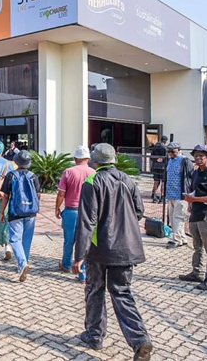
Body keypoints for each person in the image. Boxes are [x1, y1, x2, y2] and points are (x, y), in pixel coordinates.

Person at [73, 143, 152, 360]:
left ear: (95, 161)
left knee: (94, 290)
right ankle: (140, 340)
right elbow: (139, 211)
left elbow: (87, 221)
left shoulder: (92, 182)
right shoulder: (128, 180)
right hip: (126, 248)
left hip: (100, 250)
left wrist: (79, 256)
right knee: (122, 293)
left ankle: (94, 336)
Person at [179, 144, 207, 291]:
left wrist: (195, 200)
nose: (198, 158)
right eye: (196, 155)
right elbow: (194, 190)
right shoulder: (196, 172)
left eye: (201, 155)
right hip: (195, 214)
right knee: (197, 246)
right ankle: (196, 272)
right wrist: (190, 202)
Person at [55, 146, 95, 283]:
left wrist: (57, 208)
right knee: (85, 241)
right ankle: (83, 272)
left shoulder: (68, 172)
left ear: (75, 158)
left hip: (71, 210)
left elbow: (61, 193)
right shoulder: (94, 173)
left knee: (69, 240)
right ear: (88, 159)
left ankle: (66, 264)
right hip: (88, 212)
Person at [0, 150, 41, 282]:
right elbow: (38, 195)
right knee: (26, 240)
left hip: (15, 211)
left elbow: (6, 196)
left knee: (15, 239)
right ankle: (23, 264)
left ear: (16, 162)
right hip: (31, 213)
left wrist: (2, 212)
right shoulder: (33, 176)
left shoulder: (11, 175)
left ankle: (23, 264)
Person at [164, 142, 194, 249]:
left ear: (179, 150)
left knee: (178, 217)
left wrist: (189, 194)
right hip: (170, 194)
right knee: (173, 217)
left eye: (173, 151)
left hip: (181, 194)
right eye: (169, 151)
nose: (171, 153)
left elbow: (191, 177)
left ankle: (176, 239)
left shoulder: (185, 161)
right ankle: (182, 238)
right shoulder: (169, 161)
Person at [150, 135, 168, 203]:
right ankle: (162, 197)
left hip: (155, 166)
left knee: (156, 181)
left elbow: (151, 157)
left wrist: (156, 160)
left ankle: (154, 196)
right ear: (165, 141)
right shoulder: (165, 148)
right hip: (163, 166)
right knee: (163, 182)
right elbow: (166, 158)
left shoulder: (155, 147)